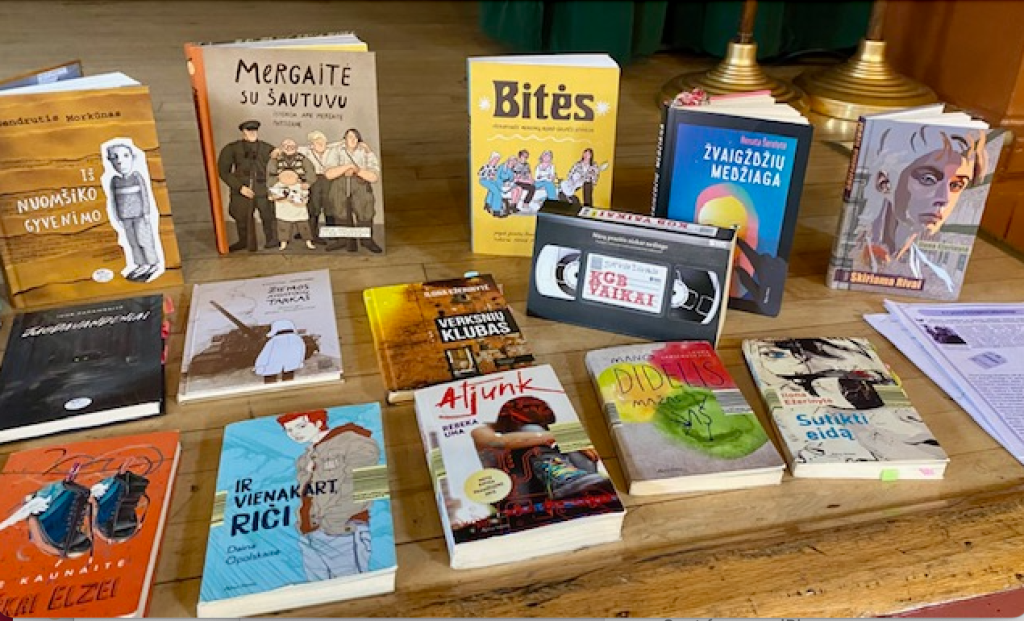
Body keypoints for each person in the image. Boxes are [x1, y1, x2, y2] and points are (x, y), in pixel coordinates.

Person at [856, 126, 989, 292]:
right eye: (928, 179)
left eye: (956, 185)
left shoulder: (924, 270)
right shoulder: (855, 250)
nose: (944, 199)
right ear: (884, 183)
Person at [277, 409, 380, 581]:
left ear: (318, 423)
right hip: (309, 533)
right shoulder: (305, 458)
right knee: (320, 589)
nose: (295, 434)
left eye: (301, 426)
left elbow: (363, 486)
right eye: (289, 430)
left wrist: (335, 521)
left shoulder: (353, 442)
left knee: (352, 585)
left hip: (342, 530)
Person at [470, 396, 612, 512]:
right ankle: (562, 481)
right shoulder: (483, 431)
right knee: (533, 431)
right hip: (520, 495)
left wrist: (575, 441)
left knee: (575, 442)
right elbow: (495, 442)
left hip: (553, 488)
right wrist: (559, 436)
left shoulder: (547, 432)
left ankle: (577, 481)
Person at [103, 141, 163, 281]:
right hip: (125, 217)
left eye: (125, 156)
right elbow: (113, 200)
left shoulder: (136, 177)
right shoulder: (114, 181)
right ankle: (141, 264)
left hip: (140, 215)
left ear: (132, 157)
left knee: (144, 239)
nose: (120, 161)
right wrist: (117, 216)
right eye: (114, 157)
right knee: (133, 241)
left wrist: (146, 212)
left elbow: (145, 196)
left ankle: (152, 263)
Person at [217, 120, 277, 251]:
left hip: (263, 188)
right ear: (243, 132)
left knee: (268, 215)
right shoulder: (231, 149)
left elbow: (278, 168)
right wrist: (239, 187)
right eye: (249, 130)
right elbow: (223, 171)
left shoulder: (267, 148)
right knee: (241, 215)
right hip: (242, 188)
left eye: (254, 130)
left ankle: (272, 240)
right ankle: (244, 241)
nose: (252, 133)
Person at [327, 128, 382, 253]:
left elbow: (374, 176)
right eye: (349, 137)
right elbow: (329, 173)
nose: (352, 140)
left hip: (361, 184)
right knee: (339, 210)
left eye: (355, 137)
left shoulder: (366, 152)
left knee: (365, 212)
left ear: (359, 140)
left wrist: (357, 170)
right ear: (344, 139)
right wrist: (347, 167)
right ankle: (343, 240)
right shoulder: (336, 151)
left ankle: (366, 241)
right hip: (340, 184)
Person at [267, 138, 317, 250]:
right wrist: (272, 191)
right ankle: (283, 241)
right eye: (286, 146)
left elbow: (311, 172)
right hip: (281, 190)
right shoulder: (275, 160)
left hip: (298, 189)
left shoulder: (303, 159)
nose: (289, 148)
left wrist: (307, 183)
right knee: (282, 221)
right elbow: (269, 176)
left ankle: (308, 240)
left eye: (291, 146)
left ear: (296, 147)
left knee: (303, 220)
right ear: (282, 147)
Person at [298, 130, 343, 244]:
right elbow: (291, 147)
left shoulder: (332, 149)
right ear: (312, 143)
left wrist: (363, 145)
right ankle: (311, 233)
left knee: (330, 205)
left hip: (329, 180)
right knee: (313, 206)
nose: (319, 143)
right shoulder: (306, 151)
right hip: (314, 180)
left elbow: (341, 143)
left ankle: (331, 233)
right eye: (316, 141)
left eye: (321, 140)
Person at [254, 319, 306, 383]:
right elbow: (302, 350)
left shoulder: (274, 340)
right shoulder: (297, 339)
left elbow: (265, 354)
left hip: (272, 365)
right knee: (288, 377)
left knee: (270, 378)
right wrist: (300, 361)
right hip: (291, 363)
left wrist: (259, 365)